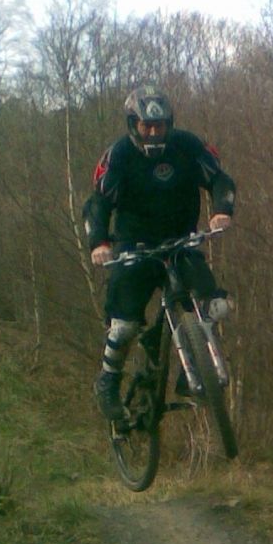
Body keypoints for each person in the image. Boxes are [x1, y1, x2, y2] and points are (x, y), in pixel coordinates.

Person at [83, 85, 236, 420]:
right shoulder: (119, 155)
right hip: (133, 247)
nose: (154, 133)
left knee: (215, 305)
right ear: (133, 124)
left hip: (180, 242)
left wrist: (222, 209)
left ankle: (189, 368)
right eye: (146, 126)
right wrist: (99, 243)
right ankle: (108, 381)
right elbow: (99, 204)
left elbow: (220, 180)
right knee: (123, 327)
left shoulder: (188, 146)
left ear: (170, 123)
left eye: (161, 125)